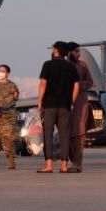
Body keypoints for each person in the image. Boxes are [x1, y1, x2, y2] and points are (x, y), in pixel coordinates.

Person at [36, 41, 79, 173]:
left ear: (55, 51)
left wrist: (39, 101)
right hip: (65, 106)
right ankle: (64, 166)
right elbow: (77, 86)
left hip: (49, 105)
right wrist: (71, 102)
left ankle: (49, 165)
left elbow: (43, 83)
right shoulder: (71, 67)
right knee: (64, 136)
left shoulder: (48, 65)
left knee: (48, 135)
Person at [67, 42, 94, 173]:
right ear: (69, 52)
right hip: (64, 103)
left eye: (79, 52)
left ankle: (77, 163)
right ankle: (67, 161)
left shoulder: (82, 65)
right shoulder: (64, 66)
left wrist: (76, 85)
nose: (78, 54)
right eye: (76, 52)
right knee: (66, 133)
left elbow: (90, 82)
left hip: (80, 103)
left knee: (79, 133)